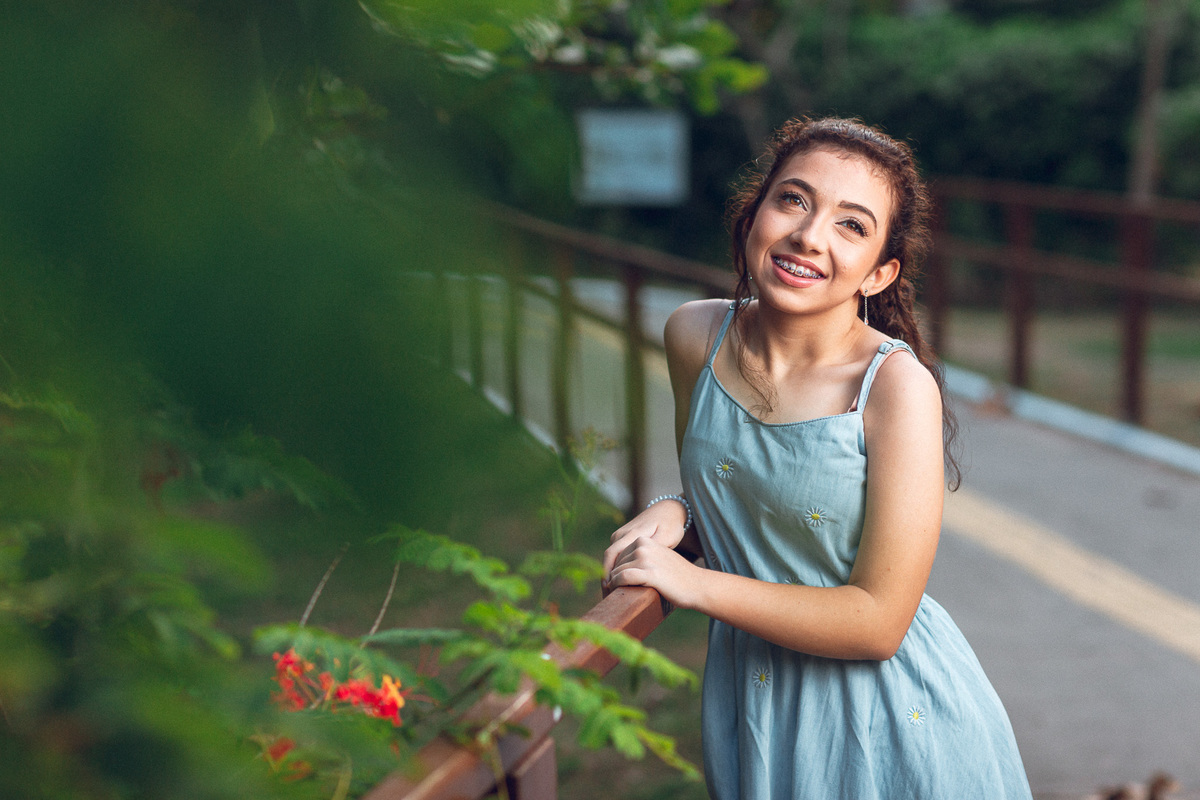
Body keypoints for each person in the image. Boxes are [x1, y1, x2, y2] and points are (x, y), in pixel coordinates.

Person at [602, 117, 1033, 799]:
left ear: (879, 272)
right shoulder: (693, 336)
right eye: (793, 200)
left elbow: (879, 621)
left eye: (852, 226)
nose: (809, 235)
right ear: (755, 215)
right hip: (754, 709)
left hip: (892, 727)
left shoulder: (893, 388)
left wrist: (691, 583)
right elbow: (737, 489)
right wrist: (676, 510)